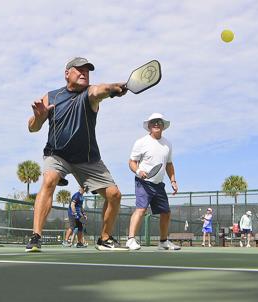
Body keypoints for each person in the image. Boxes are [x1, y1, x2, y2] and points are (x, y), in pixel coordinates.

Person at [26, 57, 127, 252]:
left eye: (87, 71)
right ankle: (35, 236)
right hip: (57, 154)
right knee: (49, 180)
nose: (84, 73)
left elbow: (101, 90)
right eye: (79, 70)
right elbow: (33, 128)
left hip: (88, 158)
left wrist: (113, 88)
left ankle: (105, 239)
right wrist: (38, 118)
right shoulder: (52, 96)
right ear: (67, 73)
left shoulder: (90, 93)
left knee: (114, 195)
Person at [126, 113, 180, 251]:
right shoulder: (141, 142)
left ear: (163, 126)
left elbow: (169, 164)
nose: (157, 124)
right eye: (153, 122)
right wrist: (138, 171)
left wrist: (173, 180)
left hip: (159, 184)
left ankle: (163, 242)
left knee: (166, 212)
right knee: (141, 209)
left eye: (159, 122)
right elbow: (132, 162)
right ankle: (131, 239)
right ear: (149, 126)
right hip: (143, 182)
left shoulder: (168, 144)